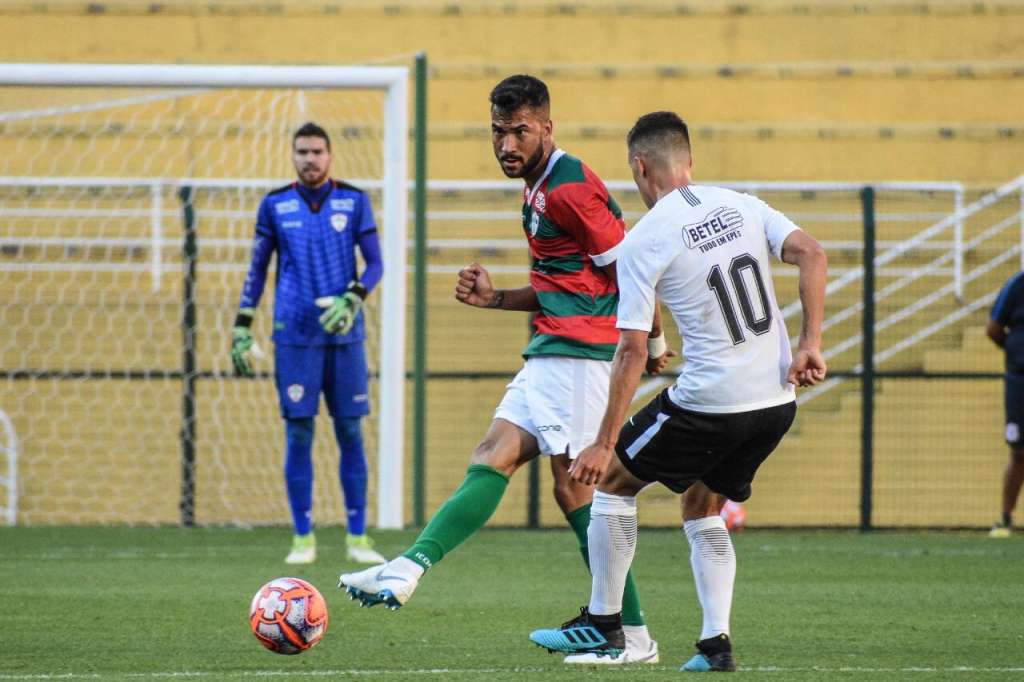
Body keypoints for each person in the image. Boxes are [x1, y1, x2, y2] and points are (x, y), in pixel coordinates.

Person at [340, 75, 670, 665]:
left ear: (547, 126)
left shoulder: (569, 189)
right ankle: (409, 566)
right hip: (555, 345)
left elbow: (631, 266)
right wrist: (496, 300)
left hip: (578, 357)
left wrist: (655, 334)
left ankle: (630, 633)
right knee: (496, 453)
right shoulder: (538, 187)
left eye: (519, 130)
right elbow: (566, 285)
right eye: (498, 131)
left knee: (573, 488)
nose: (507, 144)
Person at [528, 111, 828, 672]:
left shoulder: (645, 239)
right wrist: (810, 341)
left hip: (712, 401)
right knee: (701, 504)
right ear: (689, 161)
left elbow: (632, 350)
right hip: (776, 401)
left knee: (614, 481)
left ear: (640, 169)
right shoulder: (741, 203)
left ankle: (604, 623)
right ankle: (716, 646)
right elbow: (812, 253)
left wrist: (600, 441)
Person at [231, 121, 386, 566]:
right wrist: (243, 324)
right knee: (299, 431)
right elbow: (257, 270)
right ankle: (303, 537)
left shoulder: (354, 200)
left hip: (344, 336)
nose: (309, 159)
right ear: (293, 156)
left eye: (317, 151)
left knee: (350, 430)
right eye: (302, 152)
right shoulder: (275, 205)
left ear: (330, 155)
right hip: (294, 336)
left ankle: (358, 537)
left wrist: (353, 297)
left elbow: (375, 264)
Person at [986, 271, 1024, 538]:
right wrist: (1016, 353)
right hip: (1019, 381)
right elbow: (993, 329)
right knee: (1019, 451)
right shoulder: (1017, 284)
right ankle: (1005, 518)